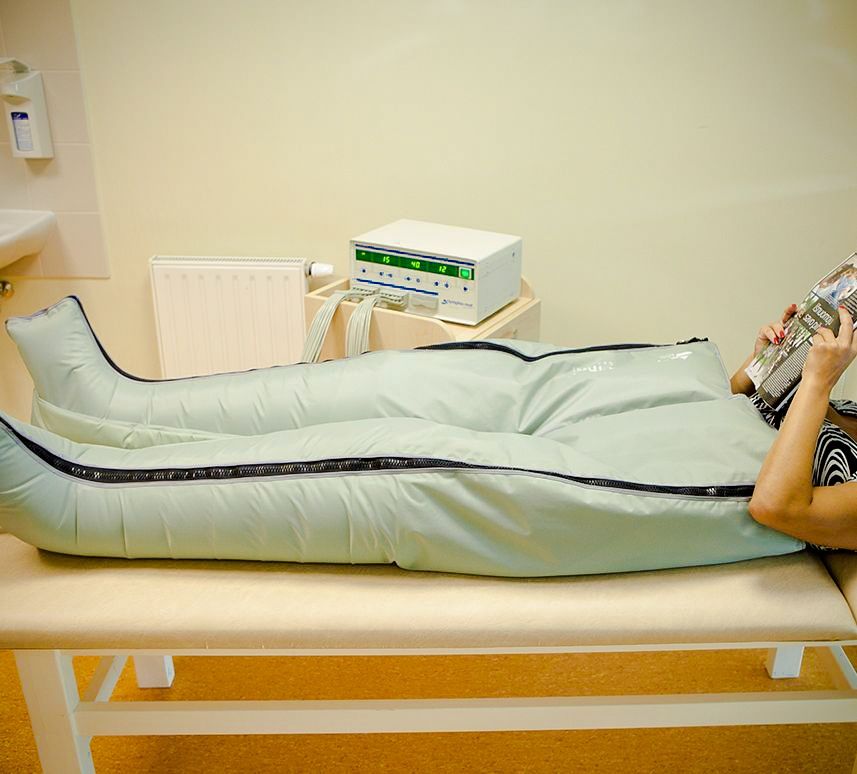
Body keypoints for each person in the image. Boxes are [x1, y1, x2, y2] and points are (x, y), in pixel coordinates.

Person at [731, 304, 857, 550]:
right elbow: (726, 408)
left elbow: (774, 507)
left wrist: (818, 382)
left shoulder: (819, 389)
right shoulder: (849, 410)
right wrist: (763, 363)